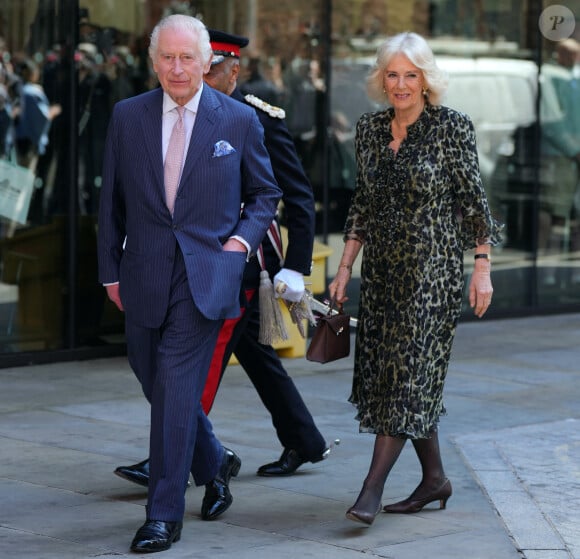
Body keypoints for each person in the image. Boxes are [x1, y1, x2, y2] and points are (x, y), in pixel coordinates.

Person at [113, 29, 329, 490]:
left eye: (211, 70)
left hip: (237, 266)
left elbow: (294, 195)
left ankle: (188, 454)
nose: (199, 78)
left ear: (234, 72)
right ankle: (304, 439)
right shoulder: (169, 115)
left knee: (198, 362)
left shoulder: (253, 119)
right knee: (257, 356)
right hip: (189, 262)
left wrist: (297, 264)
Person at [97, 15, 281, 553]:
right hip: (144, 271)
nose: (177, 68)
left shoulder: (238, 121)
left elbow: (265, 194)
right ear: (154, 62)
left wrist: (238, 246)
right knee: (148, 369)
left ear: (207, 63)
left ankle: (163, 514)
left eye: (187, 58)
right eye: (167, 58)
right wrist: (110, 270)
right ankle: (214, 460)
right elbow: (112, 201)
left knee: (176, 385)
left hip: (207, 274)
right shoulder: (127, 116)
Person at [327, 32, 502, 526]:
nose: (401, 84)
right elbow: (362, 203)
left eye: (411, 74)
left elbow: (474, 202)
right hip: (383, 275)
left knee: (407, 378)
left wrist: (482, 266)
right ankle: (435, 480)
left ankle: (371, 489)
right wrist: (345, 267)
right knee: (402, 378)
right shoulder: (368, 130)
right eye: (392, 74)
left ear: (426, 80)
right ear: (381, 80)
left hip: (433, 274)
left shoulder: (451, 128)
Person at [538, 38, 580, 284]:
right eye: (568, 55)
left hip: (571, 156)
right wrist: (574, 150)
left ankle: (575, 274)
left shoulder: (573, 80)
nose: (573, 60)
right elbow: (552, 122)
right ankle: (548, 275)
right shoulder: (551, 79)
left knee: (575, 220)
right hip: (560, 157)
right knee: (557, 217)